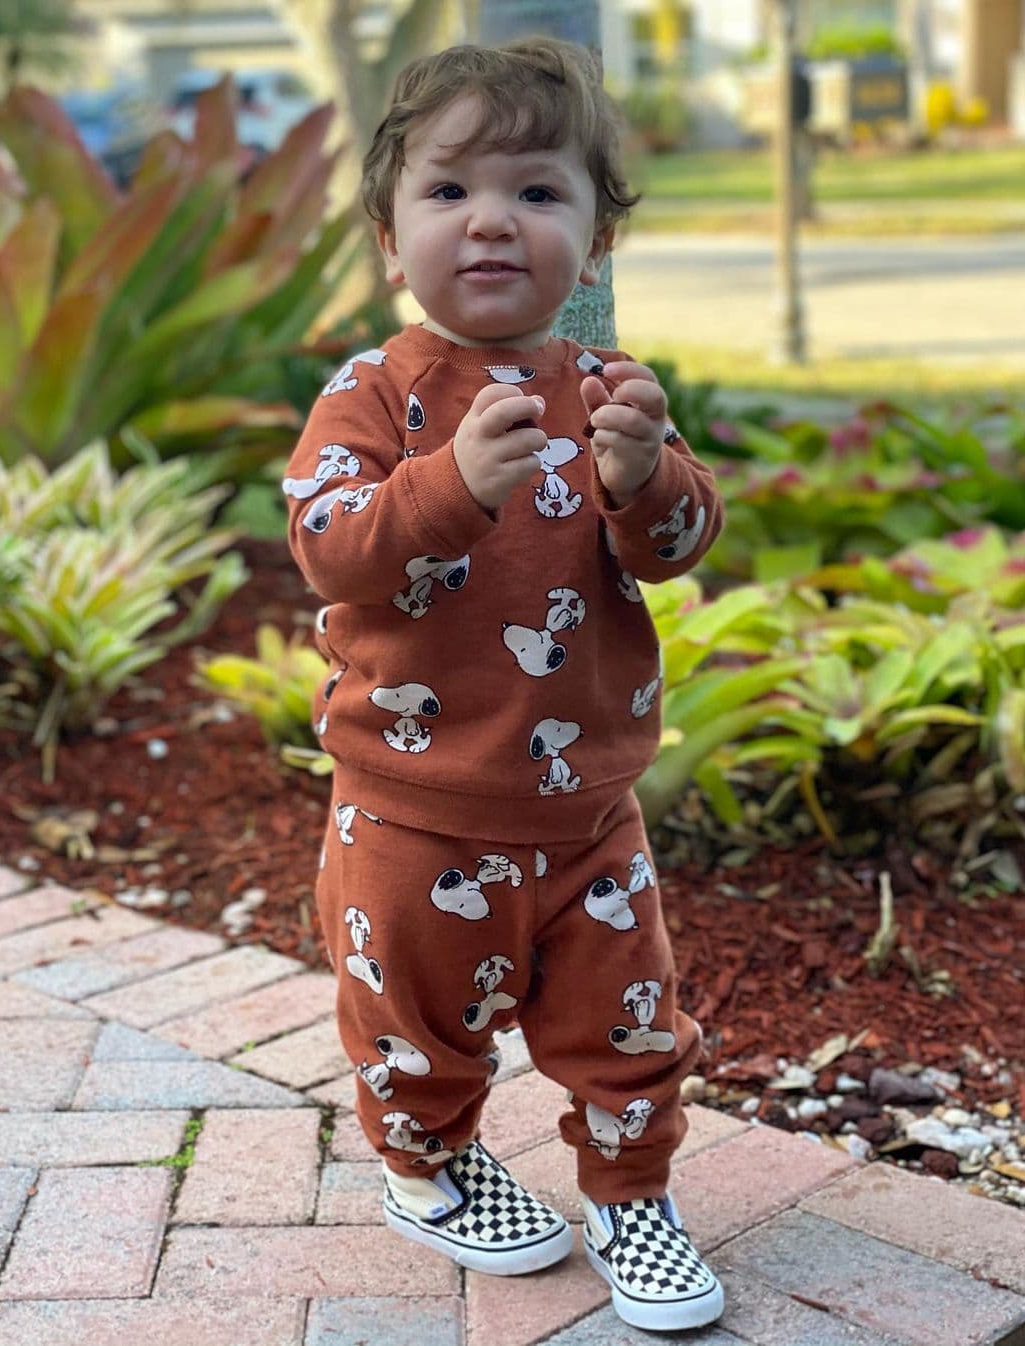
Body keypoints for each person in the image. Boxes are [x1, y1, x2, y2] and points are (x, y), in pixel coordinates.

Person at [283, 37, 725, 1333]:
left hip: (590, 813)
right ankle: (427, 1163)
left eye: (537, 191)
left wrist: (649, 479)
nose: (492, 220)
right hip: (413, 809)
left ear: (592, 245)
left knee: (627, 1017)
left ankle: (631, 1189)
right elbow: (331, 546)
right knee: (417, 1026)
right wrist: (448, 488)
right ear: (387, 232)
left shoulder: (607, 392)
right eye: (449, 190)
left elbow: (684, 550)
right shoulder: (374, 397)